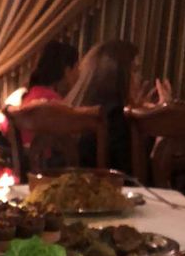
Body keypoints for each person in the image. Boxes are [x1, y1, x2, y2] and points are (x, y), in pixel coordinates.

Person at [65, 39, 172, 172]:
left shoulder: (70, 108)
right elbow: (134, 172)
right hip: (112, 189)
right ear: (117, 74)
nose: (140, 77)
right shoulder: (116, 116)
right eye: (135, 70)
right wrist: (163, 122)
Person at [0, 41, 79, 136]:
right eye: (77, 68)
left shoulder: (25, 97)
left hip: (21, 150)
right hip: (46, 151)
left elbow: (2, 127)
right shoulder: (56, 105)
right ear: (67, 71)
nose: (79, 73)